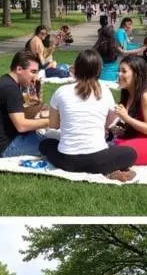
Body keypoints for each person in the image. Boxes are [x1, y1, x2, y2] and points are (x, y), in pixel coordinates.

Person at [39, 49, 137, 182]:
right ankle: (109, 170)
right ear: (98, 70)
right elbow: (109, 124)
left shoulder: (61, 91)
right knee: (131, 153)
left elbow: (53, 125)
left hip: (67, 160)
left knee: (45, 144)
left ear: (77, 68)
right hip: (97, 159)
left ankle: (110, 171)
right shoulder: (105, 91)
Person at [0, 51, 50, 158]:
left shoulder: (8, 81)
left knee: (43, 135)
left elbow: (22, 115)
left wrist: (37, 104)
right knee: (54, 145)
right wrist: (51, 122)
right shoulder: (10, 89)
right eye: (33, 72)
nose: (35, 77)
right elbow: (22, 126)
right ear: (19, 69)